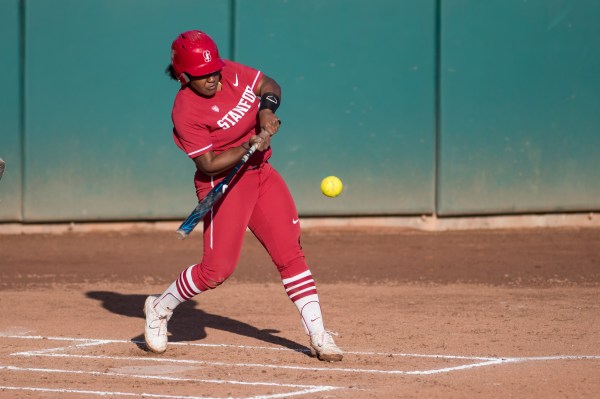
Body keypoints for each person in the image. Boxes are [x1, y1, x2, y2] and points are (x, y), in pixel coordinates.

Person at [143, 30, 343, 362]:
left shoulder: (230, 73)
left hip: (260, 174)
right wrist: (248, 145)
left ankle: (319, 335)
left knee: (290, 253)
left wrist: (265, 111)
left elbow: (270, 84)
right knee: (216, 271)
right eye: (202, 74)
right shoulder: (186, 111)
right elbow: (207, 164)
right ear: (183, 75)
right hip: (223, 185)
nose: (212, 78)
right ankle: (160, 308)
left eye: (214, 70)